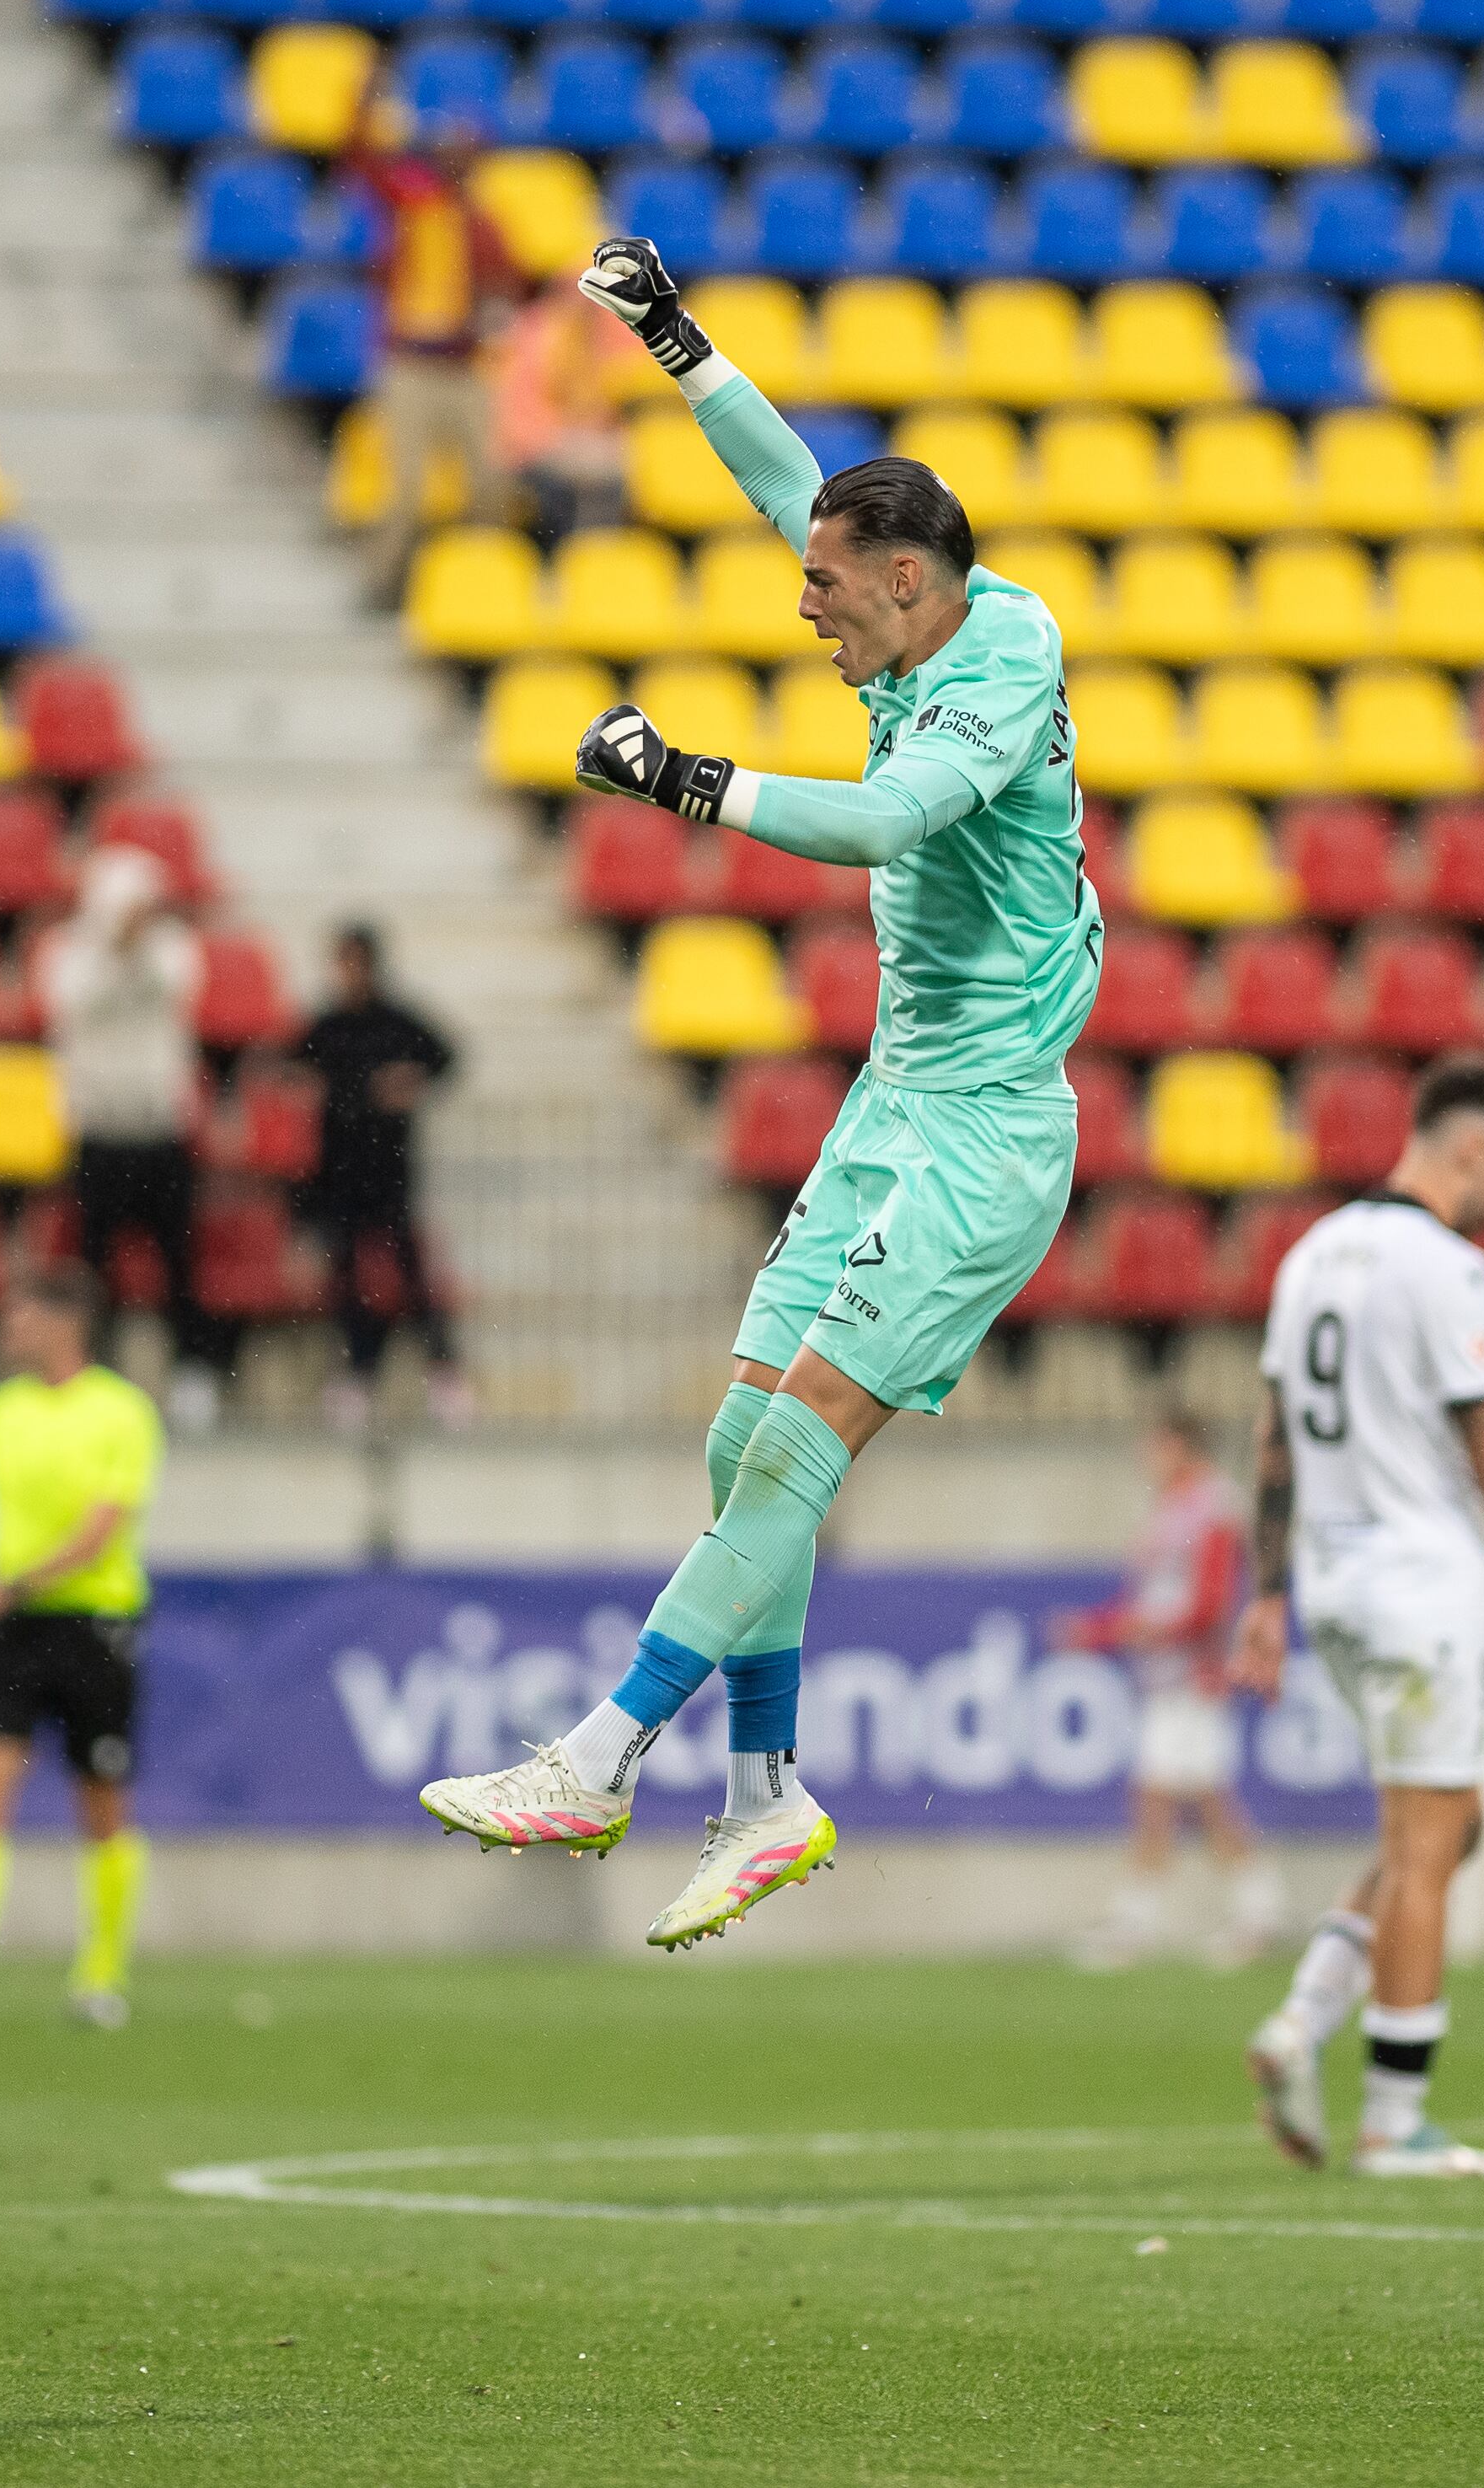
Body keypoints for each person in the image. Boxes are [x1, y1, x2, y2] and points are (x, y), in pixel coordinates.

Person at [415, 234, 1102, 1952]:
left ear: (910, 580)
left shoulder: (997, 668)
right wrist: (674, 341)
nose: (800, 600)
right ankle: (766, 1794)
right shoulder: (908, 607)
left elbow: (880, 825)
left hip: (989, 1128)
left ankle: (596, 1753)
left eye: (825, 584)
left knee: (792, 1441)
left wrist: (689, 780)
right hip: (898, 1094)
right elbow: (791, 477)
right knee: (742, 1438)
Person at [1235, 1060, 1484, 2180]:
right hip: (1419, 1583)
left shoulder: (1307, 1257)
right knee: (1428, 1851)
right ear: (1471, 1149)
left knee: (1445, 1828)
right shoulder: (1446, 1267)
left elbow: (1271, 1446)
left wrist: (1263, 1593)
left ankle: (1301, 2019)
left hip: (1336, 1587)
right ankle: (1393, 2121)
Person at [0, 1259, 165, 2032]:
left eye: (19, 1316)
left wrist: (5, 1587)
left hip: (94, 1623)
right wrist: (2, 1593)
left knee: (101, 1804)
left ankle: (101, 1974)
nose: (5, 1330)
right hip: (15, 1631)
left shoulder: (121, 1412)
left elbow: (100, 1531)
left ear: (66, 1322)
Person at [1062, 1408, 1278, 1971]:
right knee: (1185, 1799)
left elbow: (1207, 1604)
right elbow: (1152, 1595)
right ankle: (1240, 1913)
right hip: (1166, 1674)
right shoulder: (1172, 1508)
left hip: (1194, 1676)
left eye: (1155, 1445)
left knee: (1185, 1799)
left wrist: (1114, 1631)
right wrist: (1105, 1627)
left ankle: (1152, 1923)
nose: (1146, 1458)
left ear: (1182, 1445)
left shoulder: (1211, 1508)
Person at [40, 845, 226, 1439]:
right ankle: (96, 1378)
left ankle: (194, 1376)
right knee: (96, 1268)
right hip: (98, 1131)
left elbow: (177, 987)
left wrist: (135, 947)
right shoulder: (68, 952)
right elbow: (73, 1002)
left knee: (179, 1263)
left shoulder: (171, 947)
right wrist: (115, 948)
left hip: (158, 1129)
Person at [297, 920, 466, 1435]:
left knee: (410, 1277)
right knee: (348, 1281)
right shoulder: (325, 1026)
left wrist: (409, 1081)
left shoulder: (396, 1022)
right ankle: (357, 1375)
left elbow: (446, 1057)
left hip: (390, 1172)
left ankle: (444, 1374)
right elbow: (290, 1066)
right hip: (339, 1173)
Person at [347, 111, 519, 600]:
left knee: (490, 485)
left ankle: (476, 587)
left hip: (463, 368)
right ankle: (383, 584)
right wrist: (364, 99)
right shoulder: (412, 206)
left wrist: (496, 308)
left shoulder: (483, 226)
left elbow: (510, 284)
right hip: (411, 367)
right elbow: (362, 161)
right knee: (405, 490)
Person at [496, 276, 632, 544]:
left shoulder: (584, 335)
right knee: (595, 475)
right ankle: (578, 554)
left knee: (608, 468)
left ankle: (589, 554)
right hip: (532, 446)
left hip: (560, 442)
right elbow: (557, 402)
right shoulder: (543, 334)